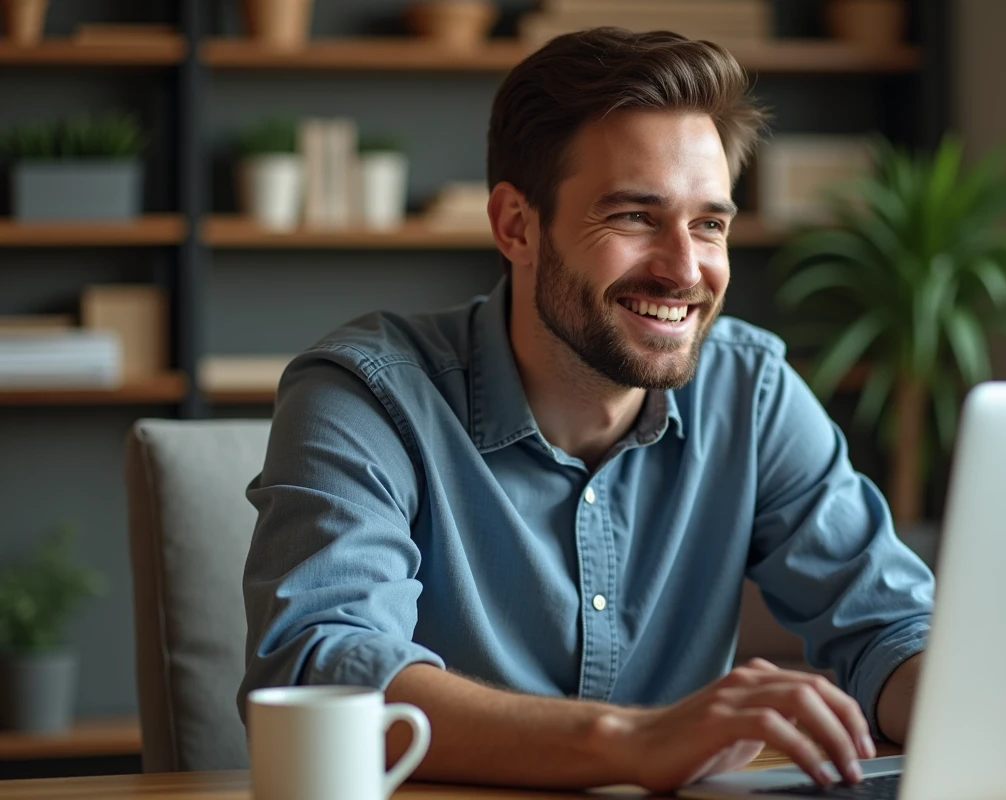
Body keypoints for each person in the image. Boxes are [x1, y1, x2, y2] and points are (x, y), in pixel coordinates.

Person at [239, 27, 934, 794]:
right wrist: (630, 741)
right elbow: (327, 668)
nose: (684, 269)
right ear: (516, 226)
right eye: (635, 217)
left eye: (709, 223)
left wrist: (974, 699)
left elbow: (890, 626)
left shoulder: (751, 391)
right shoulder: (366, 394)